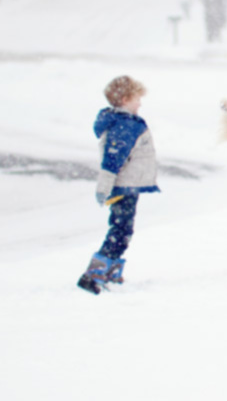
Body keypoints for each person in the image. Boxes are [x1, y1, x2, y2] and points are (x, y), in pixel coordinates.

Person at [77, 75, 160, 294]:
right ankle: (93, 275)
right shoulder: (124, 125)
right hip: (122, 188)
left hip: (127, 187)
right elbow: (112, 160)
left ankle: (111, 273)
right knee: (120, 232)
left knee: (123, 231)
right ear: (124, 99)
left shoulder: (125, 123)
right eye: (137, 98)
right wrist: (104, 187)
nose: (140, 103)